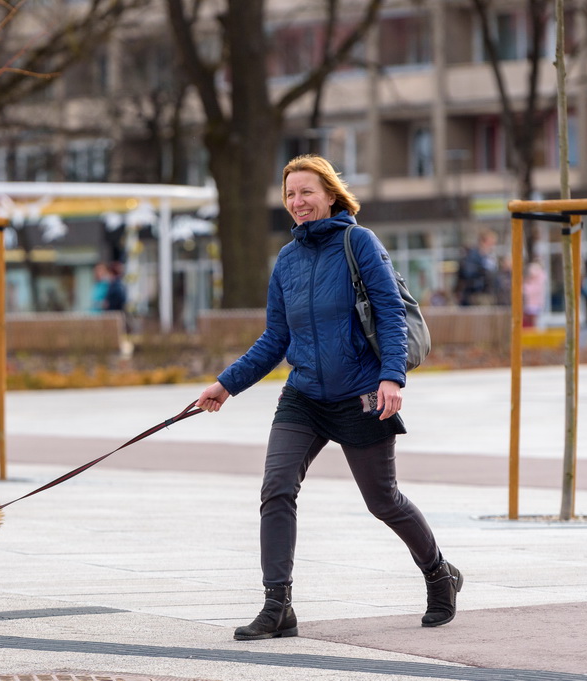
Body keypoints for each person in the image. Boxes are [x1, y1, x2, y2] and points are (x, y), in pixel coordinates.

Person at [195, 154, 462, 641]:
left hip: (361, 393)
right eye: (291, 194)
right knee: (276, 488)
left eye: (307, 192)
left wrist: (392, 377)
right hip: (304, 395)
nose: (298, 202)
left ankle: (439, 573)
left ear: (331, 195)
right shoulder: (287, 259)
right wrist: (226, 384)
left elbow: (388, 313)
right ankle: (278, 605)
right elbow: (275, 338)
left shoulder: (357, 242)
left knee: (383, 500)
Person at [456, 230, 499, 306]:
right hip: (475, 294)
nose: (492, 246)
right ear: (483, 242)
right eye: (491, 243)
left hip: (487, 293)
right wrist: (483, 269)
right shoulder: (472, 255)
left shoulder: (489, 257)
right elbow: (468, 273)